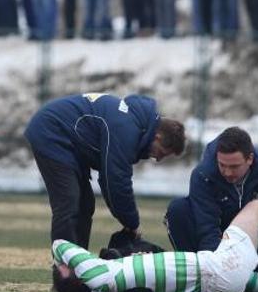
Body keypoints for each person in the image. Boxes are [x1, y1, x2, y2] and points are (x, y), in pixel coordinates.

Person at [52, 199, 258, 292]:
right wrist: (58, 263)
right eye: (64, 268)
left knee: (240, 278)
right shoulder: (96, 274)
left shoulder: (99, 291)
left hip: (211, 290)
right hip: (213, 271)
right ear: (75, 273)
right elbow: (60, 245)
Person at [23, 94, 186, 263]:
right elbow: (115, 181)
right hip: (51, 132)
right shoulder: (127, 129)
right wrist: (132, 223)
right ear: (158, 137)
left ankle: (79, 268)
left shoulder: (134, 124)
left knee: (84, 205)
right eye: (161, 153)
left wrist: (128, 221)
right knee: (68, 202)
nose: (158, 159)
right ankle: (64, 273)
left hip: (68, 140)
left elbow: (109, 180)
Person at [165, 126, 258, 283]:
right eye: (222, 165)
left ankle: (255, 280)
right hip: (217, 248)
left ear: (250, 159)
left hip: (253, 247)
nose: (227, 172)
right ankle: (200, 279)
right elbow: (207, 230)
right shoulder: (203, 175)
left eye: (234, 167)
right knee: (178, 210)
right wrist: (220, 272)